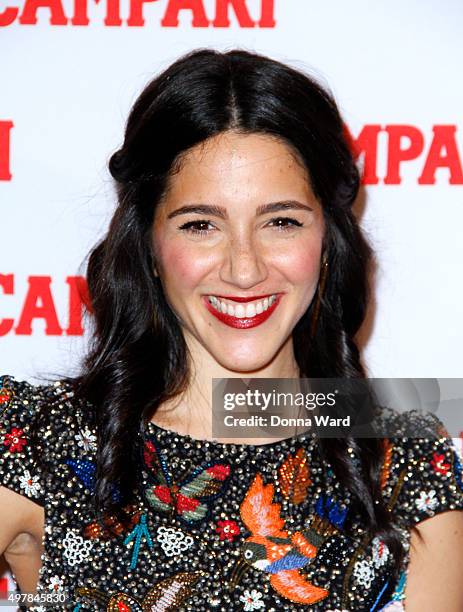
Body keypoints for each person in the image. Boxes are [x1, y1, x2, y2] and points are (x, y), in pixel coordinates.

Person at [1, 48, 463, 612]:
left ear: (326, 242)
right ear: (148, 245)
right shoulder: (39, 441)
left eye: (281, 221)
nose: (244, 269)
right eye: (200, 225)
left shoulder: (403, 458)